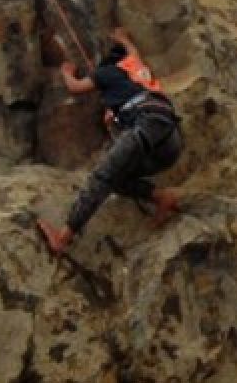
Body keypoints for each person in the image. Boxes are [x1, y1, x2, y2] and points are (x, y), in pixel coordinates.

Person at [37, 27, 183, 255]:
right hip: (170, 140)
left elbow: (75, 87)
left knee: (103, 176)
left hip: (145, 124)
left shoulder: (107, 72)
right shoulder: (136, 67)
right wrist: (124, 39)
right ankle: (162, 197)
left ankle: (63, 237)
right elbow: (133, 52)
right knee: (118, 177)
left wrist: (68, 72)